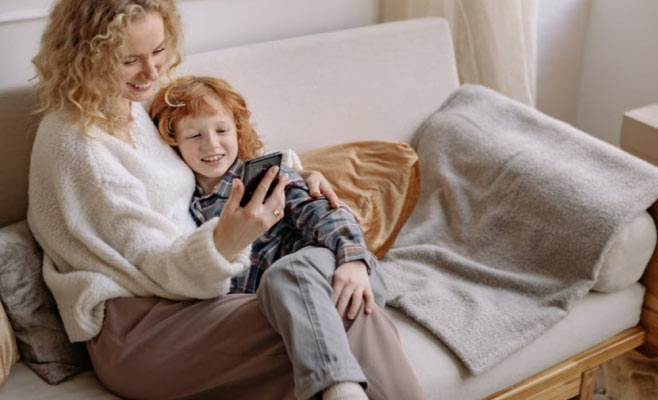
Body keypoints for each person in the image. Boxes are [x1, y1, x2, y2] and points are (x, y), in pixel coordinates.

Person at [27, 1, 425, 399]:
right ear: (87, 56)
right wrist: (227, 241)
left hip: (193, 297)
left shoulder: (132, 105)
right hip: (143, 328)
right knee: (325, 301)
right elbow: (157, 265)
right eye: (130, 59)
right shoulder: (79, 145)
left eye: (159, 51)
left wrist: (299, 175)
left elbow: (216, 157)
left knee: (325, 282)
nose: (152, 72)